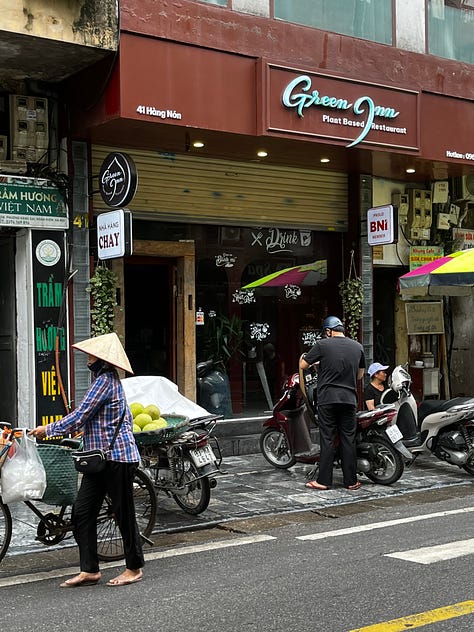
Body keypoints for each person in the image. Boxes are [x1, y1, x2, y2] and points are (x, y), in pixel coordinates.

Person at [29, 332, 144, 588]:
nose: (87, 359)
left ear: (102, 360)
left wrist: (46, 430)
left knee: (123, 514)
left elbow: (80, 415)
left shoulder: (105, 381)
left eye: (91, 355)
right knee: (82, 513)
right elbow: (96, 418)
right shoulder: (101, 380)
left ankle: (134, 567)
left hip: (118, 458)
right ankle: (90, 570)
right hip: (98, 459)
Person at [299, 316, 365, 491]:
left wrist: (319, 364)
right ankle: (351, 481)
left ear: (328, 331)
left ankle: (323, 481)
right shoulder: (357, 347)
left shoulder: (322, 345)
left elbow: (304, 365)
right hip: (349, 400)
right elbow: (359, 376)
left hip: (328, 399)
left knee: (327, 439)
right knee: (347, 439)